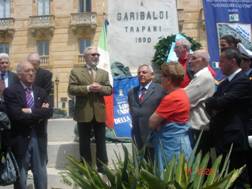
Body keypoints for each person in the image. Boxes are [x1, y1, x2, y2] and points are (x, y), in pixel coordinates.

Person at [3, 61, 53, 189]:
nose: (31, 73)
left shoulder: (41, 92)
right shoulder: (11, 92)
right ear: (19, 75)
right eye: (27, 71)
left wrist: (29, 111)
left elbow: (48, 112)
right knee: (21, 179)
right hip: (20, 139)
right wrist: (38, 113)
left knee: (41, 177)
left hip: (39, 138)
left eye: (33, 71)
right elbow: (16, 116)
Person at [206, 47, 251, 188]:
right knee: (225, 175)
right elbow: (210, 103)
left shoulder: (243, 81)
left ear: (233, 61)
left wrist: (216, 103)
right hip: (221, 137)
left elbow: (220, 102)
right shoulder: (224, 84)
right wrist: (215, 103)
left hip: (235, 139)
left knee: (237, 177)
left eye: (222, 61)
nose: (219, 65)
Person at [68, 46, 112, 173]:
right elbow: (71, 89)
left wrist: (100, 88)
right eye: (93, 55)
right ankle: (86, 167)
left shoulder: (104, 73)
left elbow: (109, 90)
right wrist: (87, 88)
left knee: (101, 141)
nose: (96, 57)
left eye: (97, 55)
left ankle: (102, 166)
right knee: (84, 142)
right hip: (83, 112)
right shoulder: (76, 72)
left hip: (99, 112)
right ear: (85, 57)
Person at [149, 62, 192, 176]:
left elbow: (152, 122)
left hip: (171, 146)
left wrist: (158, 122)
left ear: (168, 79)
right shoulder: (182, 93)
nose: (161, 79)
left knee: (170, 177)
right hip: (180, 143)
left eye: (163, 76)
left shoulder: (171, 98)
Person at [128, 64, 166, 160]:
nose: (141, 74)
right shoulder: (131, 92)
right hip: (137, 134)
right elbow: (131, 109)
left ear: (152, 75)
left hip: (154, 134)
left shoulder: (160, 90)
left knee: (154, 162)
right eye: (139, 73)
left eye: (144, 72)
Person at [184, 50, 215, 154]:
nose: (190, 62)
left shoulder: (204, 77)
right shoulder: (199, 76)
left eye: (193, 58)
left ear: (203, 60)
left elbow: (185, 98)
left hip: (200, 127)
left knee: (202, 166)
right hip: (196, 127)